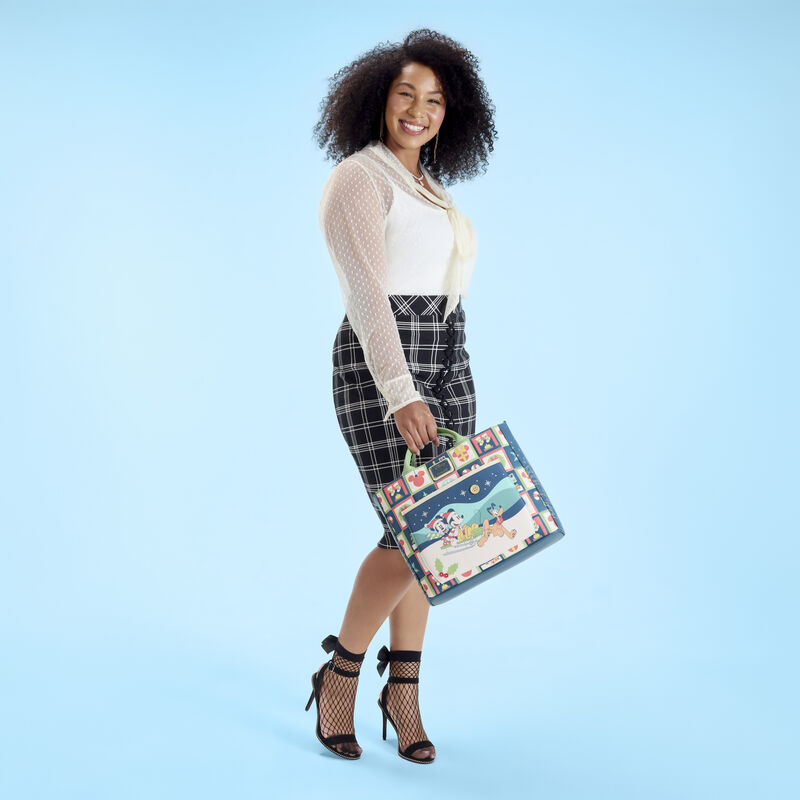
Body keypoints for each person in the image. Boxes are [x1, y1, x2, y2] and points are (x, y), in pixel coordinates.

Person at [307, 28, 497, 764]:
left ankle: (405, 692)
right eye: (405, 94)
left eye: (436, 99)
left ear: (455, 111)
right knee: (413, 533)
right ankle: (342, 673)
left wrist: (449, 378)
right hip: (381, 363)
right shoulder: (360, 178)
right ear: (378, 99)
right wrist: (399, 392)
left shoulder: (430, 187)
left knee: (437, 537)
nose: (419, 110)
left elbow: (446, 298)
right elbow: (365, 297)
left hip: (447, 359)